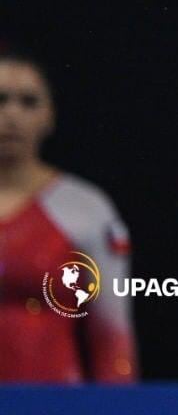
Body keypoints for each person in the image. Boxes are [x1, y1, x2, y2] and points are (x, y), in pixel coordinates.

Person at [0, 48, 138, 383]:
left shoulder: (86, 209)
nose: (11, 115)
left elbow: (112, 332)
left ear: (49, 116)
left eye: (29, 102)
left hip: (51, 401)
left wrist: (120, 407)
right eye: (0, 99)